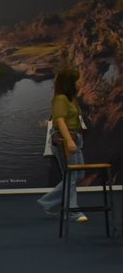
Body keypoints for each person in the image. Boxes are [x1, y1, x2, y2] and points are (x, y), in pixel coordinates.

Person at [37, 70, 88, 222]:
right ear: (69, 83)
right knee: (71, 176)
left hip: (75, 138)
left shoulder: (71, 99)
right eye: (76, 80)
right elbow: (60, 121)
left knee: (78, 175)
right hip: (65, 140)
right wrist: (69, 141)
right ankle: (72, 212)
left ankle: (48, 202)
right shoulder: (60, 99)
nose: (79, 82)